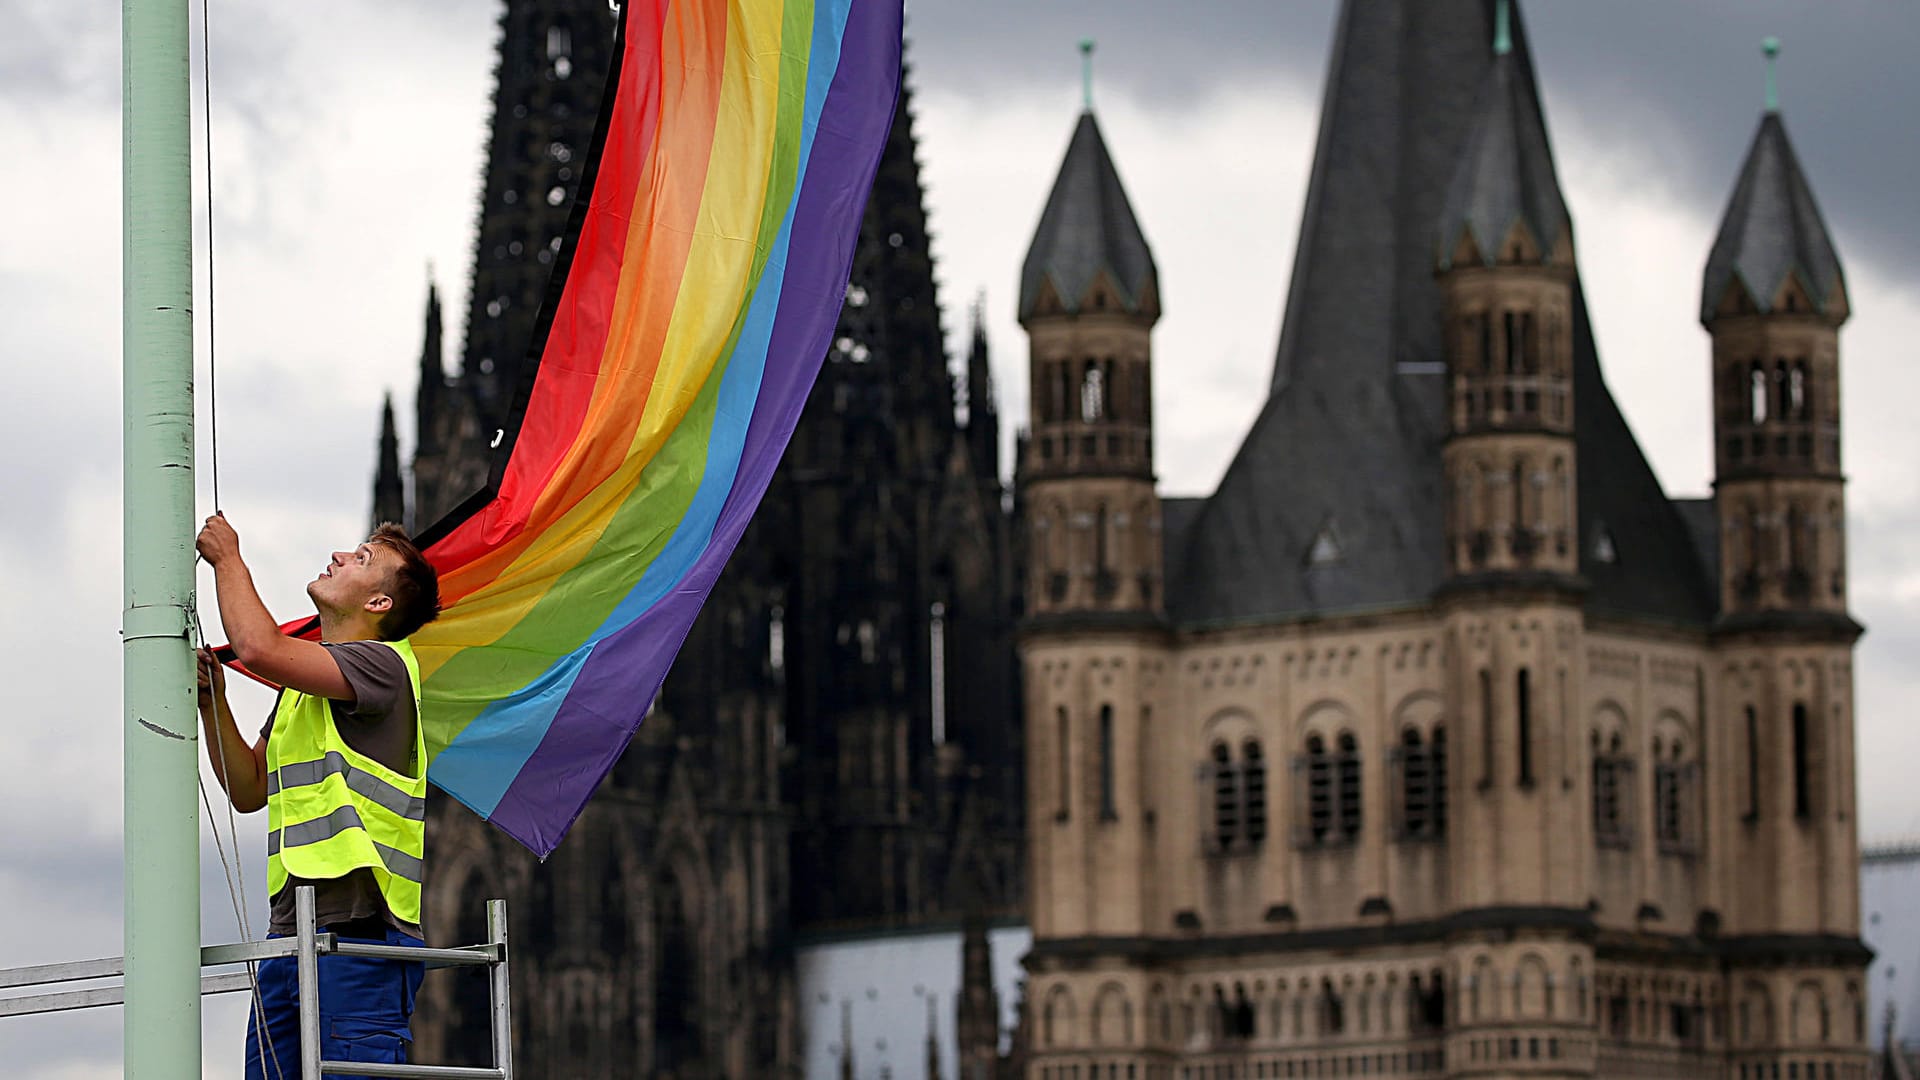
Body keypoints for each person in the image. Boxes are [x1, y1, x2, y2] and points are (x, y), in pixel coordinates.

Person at [194, 513, 442, 1078]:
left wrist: (229, 560)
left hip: (360, 941)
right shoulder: (302, 689)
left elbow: (257, 646)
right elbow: (248, 788)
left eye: (361, 558)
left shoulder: (384, 666)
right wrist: (215, 706)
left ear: (379, 603)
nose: (339, 556)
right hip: (288, 938)